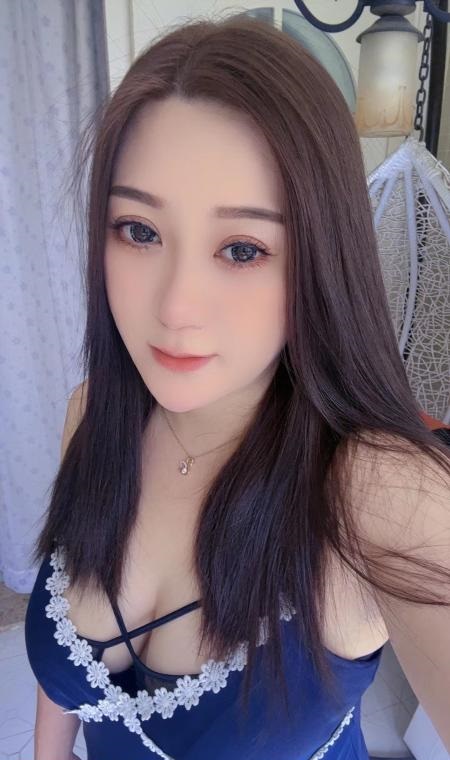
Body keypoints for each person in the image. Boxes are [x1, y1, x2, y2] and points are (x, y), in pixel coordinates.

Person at [25, 12, 450, 760]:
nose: (175, 308)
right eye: (140, 231)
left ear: (321, 258)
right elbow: (64, 688)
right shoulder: (92, 416)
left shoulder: (374, 489)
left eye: (243, 248)